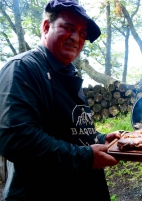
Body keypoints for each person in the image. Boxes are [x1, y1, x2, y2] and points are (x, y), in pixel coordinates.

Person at [0, 0, 121, 200]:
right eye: (69, 28)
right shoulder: (22, 68)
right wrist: (85, 157)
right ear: (46, 27)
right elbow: (16, 138)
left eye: (82, 33)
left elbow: (71, 129)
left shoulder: (68, 74)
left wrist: (101, 139)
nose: (77, 38)